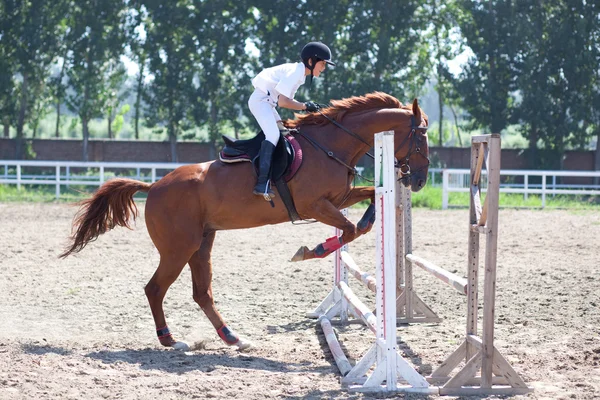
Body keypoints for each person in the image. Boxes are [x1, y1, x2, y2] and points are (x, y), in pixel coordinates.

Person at [248, 41, 335, 200]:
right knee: (273, 136)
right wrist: (305, 106)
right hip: (261, 102)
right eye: (322, 63)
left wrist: (306, 106)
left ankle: (276, 176)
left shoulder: (299, 75)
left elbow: (286, 101)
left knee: (283, 132)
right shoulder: (295, 73)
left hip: (268, 102)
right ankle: (262, 183)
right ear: (311, 61)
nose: (324, 68)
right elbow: (283, 102)